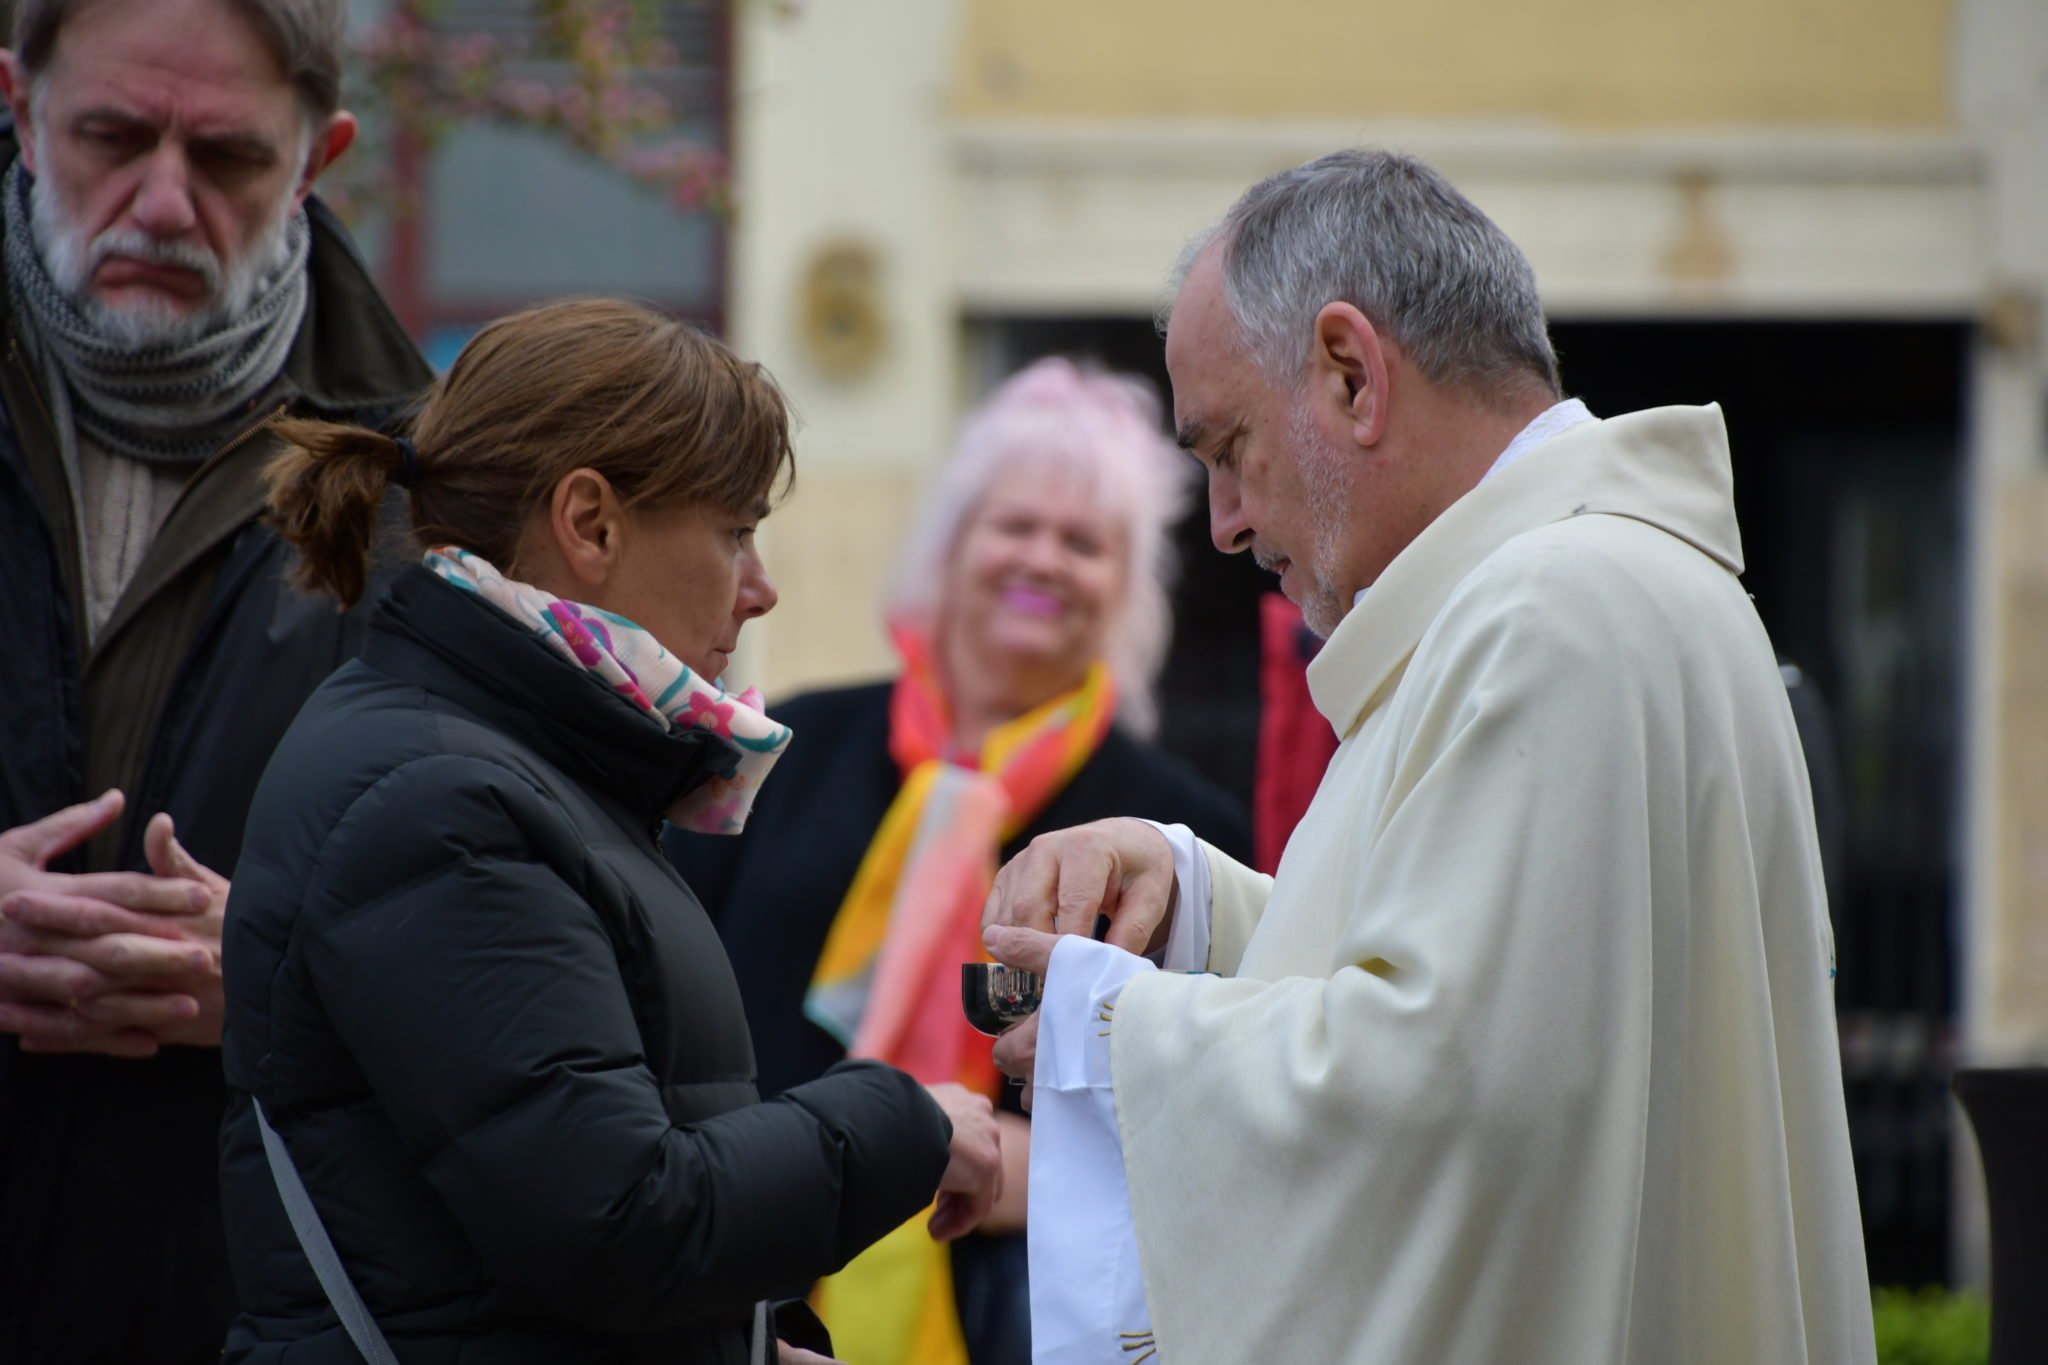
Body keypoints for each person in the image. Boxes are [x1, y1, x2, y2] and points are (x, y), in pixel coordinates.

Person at [981, 150, 1877, 1363]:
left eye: (1228, 446)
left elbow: (1444, 1092)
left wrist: (1110, 1034)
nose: (1225, 522)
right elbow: (1524, 997)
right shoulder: (1588, 586)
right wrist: (1195, 906)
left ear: (1351, 376)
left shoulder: (1549, 613)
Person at [219, 297, 1004, 1364]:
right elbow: (619, 1223)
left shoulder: (510, 764)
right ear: (589, 524)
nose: (761, 589)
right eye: (735, 532)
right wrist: (903, 1122)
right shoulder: (441, 799)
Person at [666, 357, 1250, 1365]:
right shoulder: (786, 749)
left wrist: (1012, 1166)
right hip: (742, 1274)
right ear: (950, 548)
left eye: (1083, 542)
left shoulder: (1172, 834)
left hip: (1016, 1313)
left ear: (1126, 589)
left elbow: (1209, 1114)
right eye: (1013, 526)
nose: (1043, 560)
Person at [0, 1, 434, 1359]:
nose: (164, 203)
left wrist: (296, 982)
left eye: (230, 158)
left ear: (319, 159)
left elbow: (532, 953)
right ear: (14, 106)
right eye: (112, 138)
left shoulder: (438, 507)